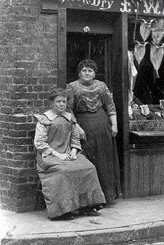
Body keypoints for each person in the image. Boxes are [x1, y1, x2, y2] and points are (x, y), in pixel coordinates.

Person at [34, 88, 106, 220]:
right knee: (62, 171)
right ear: (51, 103)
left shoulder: (69, 118)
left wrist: (73, 151)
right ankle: (61, 211)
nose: (62, 104)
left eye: (64, 101)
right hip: (49, 156)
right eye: (58, 101)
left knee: (88, 168)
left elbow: (75, 139)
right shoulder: (45, 119)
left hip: (68, 153)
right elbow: (39, 143)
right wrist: (58, 155)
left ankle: (86, 206)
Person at [66, 60, 121, 203]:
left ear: (94, 73)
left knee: (104, 160)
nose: (87, 73)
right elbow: (68, 109)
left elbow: (110, 106)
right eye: (84, 70)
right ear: (79, 73)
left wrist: (114, 125)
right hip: (83, 126)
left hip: (102, 126)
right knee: (88, 160)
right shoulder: (72, 87)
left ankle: (106, 197)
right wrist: (76, 127)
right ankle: (89, 200)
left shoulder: (101, 86)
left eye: (90, 71)